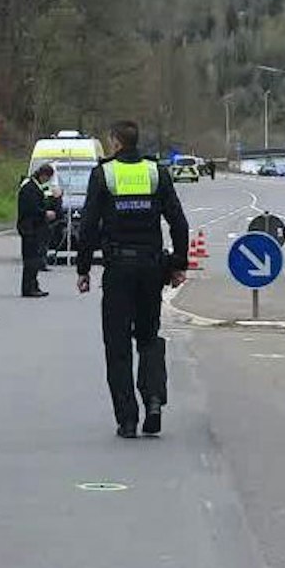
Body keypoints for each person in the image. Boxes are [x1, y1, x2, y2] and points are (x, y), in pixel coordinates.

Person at [76, 120, 190, 439]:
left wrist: (83, 269)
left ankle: (127, 419)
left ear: (114, 142)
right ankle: (153, 399)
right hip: (152, 268)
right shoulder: (156, 173)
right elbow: (179, 223)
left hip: (118, 269)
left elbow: (87, 227)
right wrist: (179, 264)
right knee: (148, 338)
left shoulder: (104, 174)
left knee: (117, 345)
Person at [16, 163, 56, 297]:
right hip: (30, 229)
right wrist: (44, 214)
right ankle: (28, 288)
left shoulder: (35, 187)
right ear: (43, 175)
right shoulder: (30, 189)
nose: (48, 181)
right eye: (48, 178)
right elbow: (30, 209)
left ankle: (34, 285)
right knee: (31, 260)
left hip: (34, 228)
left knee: (35, 259)